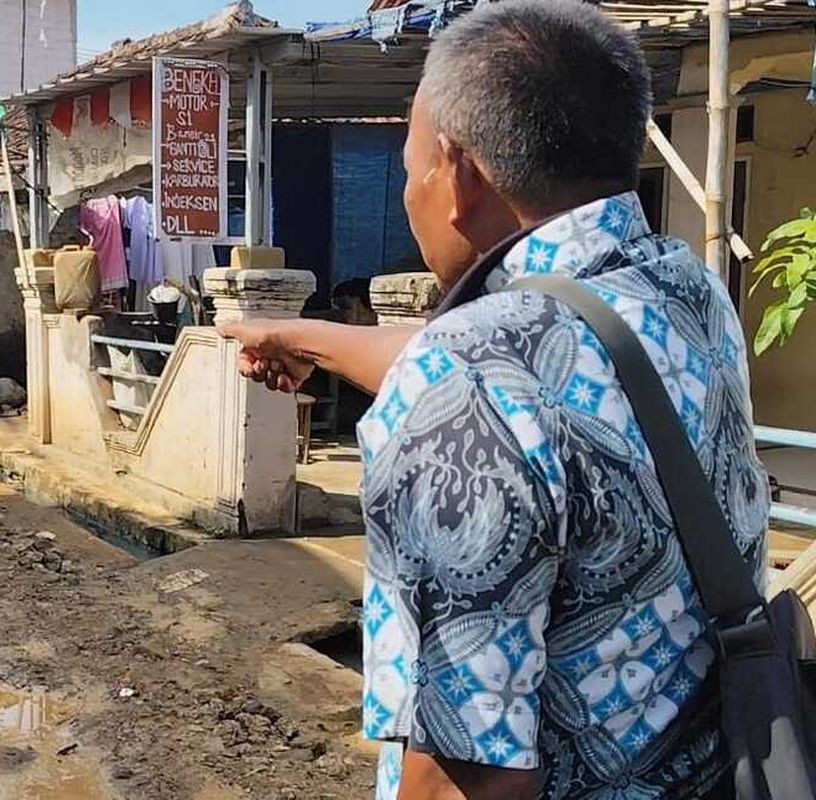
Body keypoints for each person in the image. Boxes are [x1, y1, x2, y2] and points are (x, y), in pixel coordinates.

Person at [218, 1, 770, 798]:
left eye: (410, 169)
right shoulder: (686, 290)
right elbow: (533, 379)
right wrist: (305, 338)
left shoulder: (472, 377)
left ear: (456, 172)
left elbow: (468, 772)